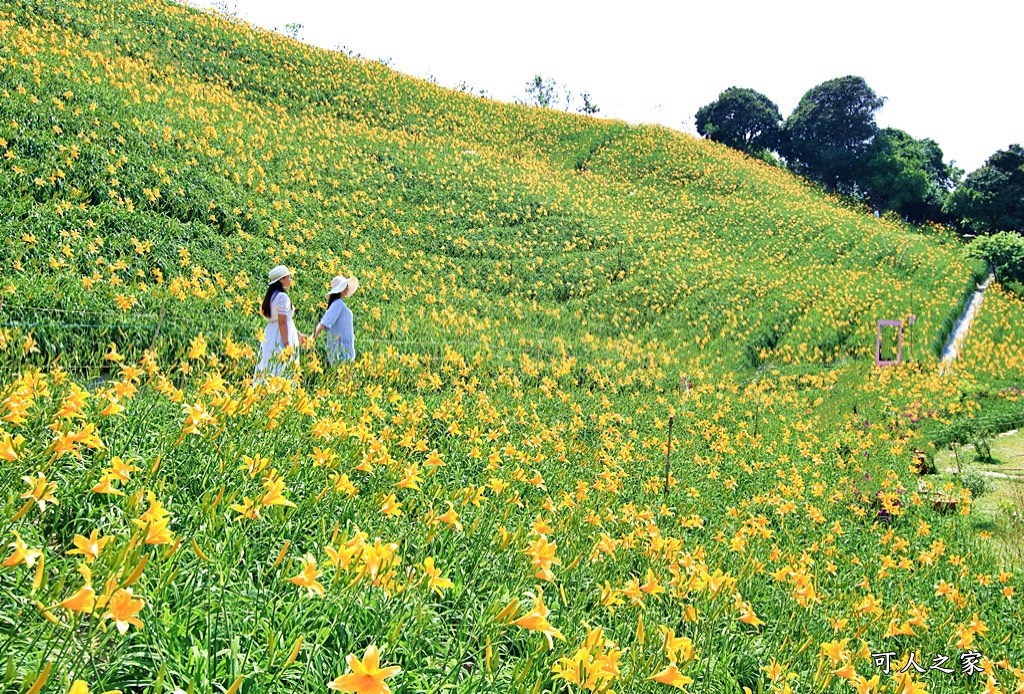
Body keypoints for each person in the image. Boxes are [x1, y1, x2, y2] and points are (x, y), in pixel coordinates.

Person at [254, 265, 306, 380]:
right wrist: (287, 345)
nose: (290, 280)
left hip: (271, 334)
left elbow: (286, 321)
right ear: (281, 279)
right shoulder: (282, 297)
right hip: (282, 337)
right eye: (288, 277)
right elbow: (283, 322)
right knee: (283, 367)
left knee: (269, 365)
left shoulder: (271, 296)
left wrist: (298, 335)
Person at [311, 275, 358, 365]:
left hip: (345, 349)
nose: (347, 287)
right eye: (345, 286)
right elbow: (324, 322)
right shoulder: (338, 304)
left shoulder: (338, 304)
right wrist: (312, 338)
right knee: (345, 377)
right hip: (341, 351)